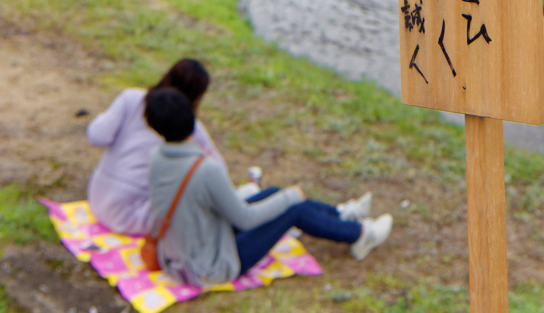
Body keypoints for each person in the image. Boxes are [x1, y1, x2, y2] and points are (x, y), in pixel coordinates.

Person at [145, 88, 393, 287]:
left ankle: (341, 216)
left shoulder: (157, 156)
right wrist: (290, 197)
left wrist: (282, 197)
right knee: (291, 207)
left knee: (274, 194)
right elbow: (244, 219)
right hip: (211, 267)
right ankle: (361, 235)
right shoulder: (204, 169)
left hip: (184, 252)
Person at [87, 59, 225, 235]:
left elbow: (96, 136)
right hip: (130, 215)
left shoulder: (131, 98)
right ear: (197, 97)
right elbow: (218, 171)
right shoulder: (190, 128)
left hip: (97, 198)